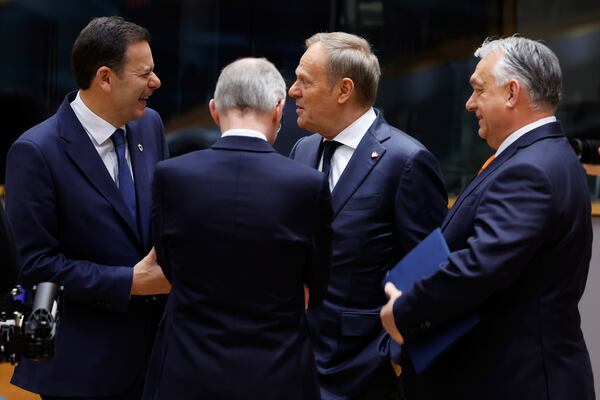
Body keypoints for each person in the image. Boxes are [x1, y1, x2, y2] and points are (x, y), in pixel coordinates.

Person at [381, 36, 595, 400]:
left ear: (512, 92)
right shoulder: (541, 155)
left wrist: (405, 310)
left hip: (517, 381)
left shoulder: (530, 168)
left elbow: (480, 266)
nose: (469, 103)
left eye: (478, 90)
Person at [142, 57, 332, 400]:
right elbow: (316, 286)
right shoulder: (308, 184)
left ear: (214, 110)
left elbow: (169, 267)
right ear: (278, 109)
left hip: (186, 372)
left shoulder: (171, 176)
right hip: (278, 375)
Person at [5, 16, 170, 399]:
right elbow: (34, 265)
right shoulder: (35, 151)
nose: (156, 82)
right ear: (105, 78)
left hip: (156, 361)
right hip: (81, 370)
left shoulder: (151, 126)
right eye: (145, 72)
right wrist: (129, 282)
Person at [288, 32, 448, 400]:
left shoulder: (406, 162)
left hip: (366, 374)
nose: (293, 91)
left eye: (304, 82)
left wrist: (392, 358)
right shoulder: (302, 149)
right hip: (299, 363)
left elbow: (431, 274)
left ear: (344, 90)